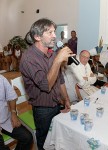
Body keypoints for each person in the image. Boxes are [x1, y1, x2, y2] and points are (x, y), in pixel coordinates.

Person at [19, 18, 73, 150]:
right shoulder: (28, 58)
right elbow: (46, 86)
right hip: (43, 108)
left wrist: (66, 99)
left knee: (57, 137)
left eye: (54, 31)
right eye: (50, 32)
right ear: (37, 37)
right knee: (45, 141)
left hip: (57, 102)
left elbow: (59, 79)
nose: (54, 35)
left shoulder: (52, 53)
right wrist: (58, 60)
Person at [0, 75, 33, 150]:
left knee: (27, 138)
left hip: (5, 119)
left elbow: (11, 96)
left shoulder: (1, 79)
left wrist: (13, 113)